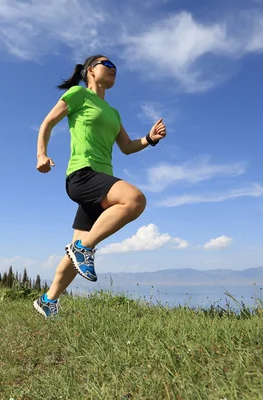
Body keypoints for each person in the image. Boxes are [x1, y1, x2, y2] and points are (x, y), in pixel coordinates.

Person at [33, 54, 167, 318]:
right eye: (108, 65)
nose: (114, 69)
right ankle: (84, 248)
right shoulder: (78, 95)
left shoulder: (113, 113)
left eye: (116, 67)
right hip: (82, 175)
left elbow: (127, 147)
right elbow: (47, 123)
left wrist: (150, 139)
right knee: (135, 199)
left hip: (100, 184)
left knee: (74, 256)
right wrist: (41, 154)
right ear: (90, 71)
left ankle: (48, 301)